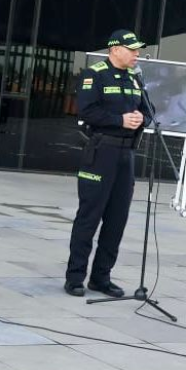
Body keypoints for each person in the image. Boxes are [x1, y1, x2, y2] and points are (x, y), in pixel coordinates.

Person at [64, 29, 152, 298]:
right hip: (102, 152)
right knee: (89, 217)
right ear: (115, 49)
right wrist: (120, 120)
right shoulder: (95, 74)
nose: (137, 54)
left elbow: (149, 112)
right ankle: (75, 277)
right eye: (132, 49)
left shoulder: (135, 78)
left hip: (127, 157)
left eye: (138, 49)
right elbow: (87, 110)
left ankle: (101, 278)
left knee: (117, 220)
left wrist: (140, 120)